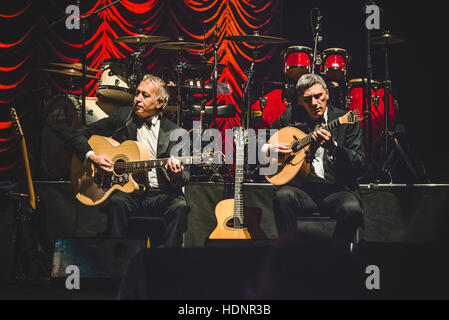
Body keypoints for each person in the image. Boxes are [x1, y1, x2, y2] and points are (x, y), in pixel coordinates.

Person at [69, 74, 189, 247]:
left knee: (180, 206)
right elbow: (78, 135)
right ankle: (119, 262)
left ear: (160, 103)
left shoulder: (176, 133)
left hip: (162, 194)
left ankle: (169, 263)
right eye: (137, 93)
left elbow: (185, 176)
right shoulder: (124, 117)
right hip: (130, 193)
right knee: (117, 202)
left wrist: (176, 175)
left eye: (145, 95)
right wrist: (92, 157)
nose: (137, 99)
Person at [264, 73, 365, 248]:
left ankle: (335, 254)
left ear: (327, 94)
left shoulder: (346, 120)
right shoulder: (290, 116)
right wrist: (269, 150)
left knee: (352, 208)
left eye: (318, 96)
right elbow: (263, 139)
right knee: (282, 197)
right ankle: (290, 253)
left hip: (336, 189)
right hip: (302, 189)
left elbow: (360, 163)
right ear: (300, 101)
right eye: (307, 99)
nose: (314, 103)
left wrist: (334, 148)